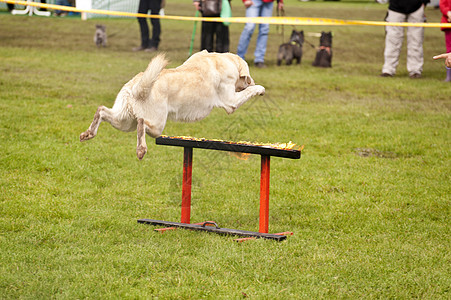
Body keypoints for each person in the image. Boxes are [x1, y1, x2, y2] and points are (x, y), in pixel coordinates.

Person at [380, 0, 430, 79]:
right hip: (395, 8)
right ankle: (388, 70)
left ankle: (415, 70)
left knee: (416, 41)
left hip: (417, 7)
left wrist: (425, 2)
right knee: (392, 41)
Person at [236, 0, 283, 68]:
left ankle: (259, 60)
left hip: (269, 2)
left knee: (264, 30)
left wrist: (280, 1)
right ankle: (239, 59)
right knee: (249, 28)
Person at [438, 0, 451, 81]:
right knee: (449, 51)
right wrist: (448, 13)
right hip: (448, 24)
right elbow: (442, 4)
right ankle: (449, 76)